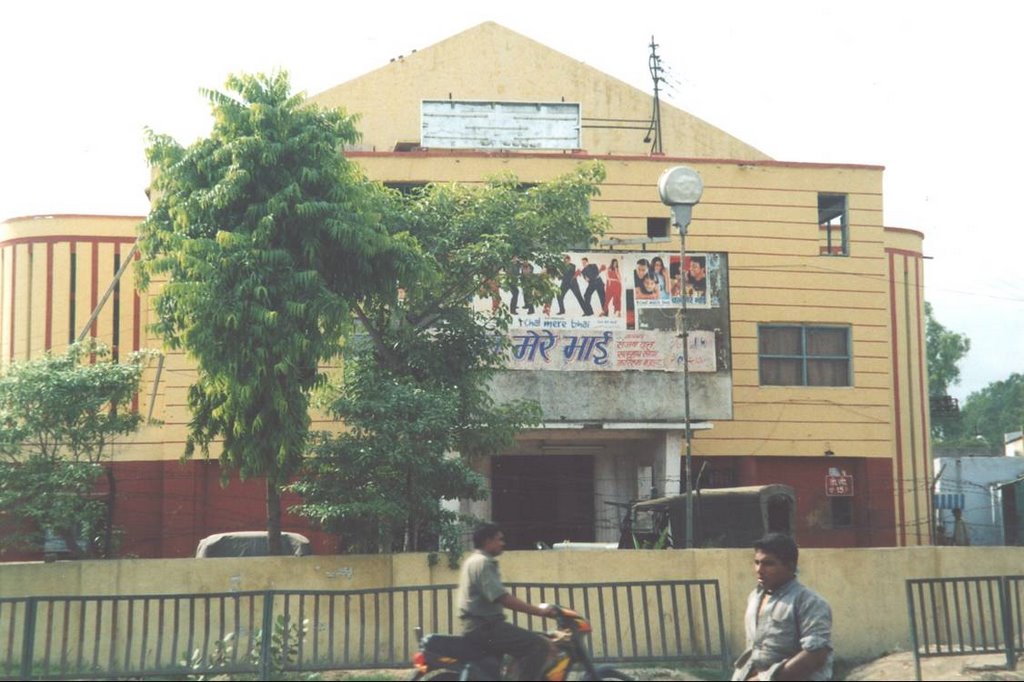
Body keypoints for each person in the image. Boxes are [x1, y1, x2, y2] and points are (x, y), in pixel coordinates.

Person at [458, 522, 558, 680]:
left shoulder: (472, 560)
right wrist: (540, 611)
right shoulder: (483, 562)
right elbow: (502, 598)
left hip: (477, 626)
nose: (502, 543)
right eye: (499, 539)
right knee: (538, 645)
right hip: (486, 627)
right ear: (488, 541)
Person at [732, 533, 833, 681]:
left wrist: (764, 679)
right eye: (757, 562)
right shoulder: (754, 597)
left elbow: (816, 655)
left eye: (768, 564)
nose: (759, 569)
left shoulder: (809, 602)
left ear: (790, 566)